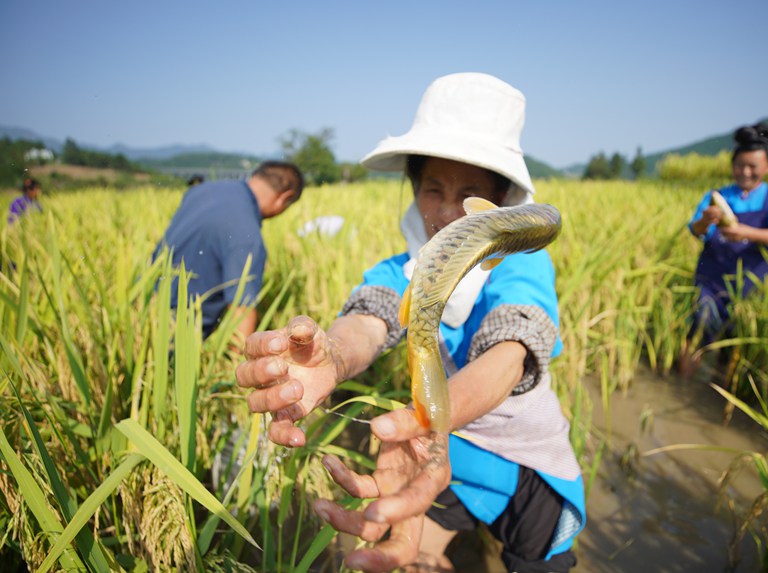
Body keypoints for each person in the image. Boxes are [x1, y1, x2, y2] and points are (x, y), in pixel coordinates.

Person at [236, 73, 586, 573]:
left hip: (527, 465)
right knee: (412, 553)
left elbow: (510, 352)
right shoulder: (402, 273)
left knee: (537, 562)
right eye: (432, 189)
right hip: (440, 454)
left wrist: (431, 417)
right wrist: (331, 355)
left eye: (467, 195)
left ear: (498, 202)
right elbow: (368, 321)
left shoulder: (521, 265)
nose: (445, 212)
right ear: (413, 189)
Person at [679, 122, 768, 377]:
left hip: (752, 287)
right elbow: (696, 230)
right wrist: (706, 220)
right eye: (739, 166)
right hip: (711, 282)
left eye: (752, 167)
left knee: (737, 348)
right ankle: (685, 383)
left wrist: (746, 233)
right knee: (697, 334)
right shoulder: (717, 196)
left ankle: (724, 392)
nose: (745, 172)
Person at [154, 161, 304, 340]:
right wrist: (237, 362)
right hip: (179, 336)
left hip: (148, 306)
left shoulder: (202, 190)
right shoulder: (248, 237)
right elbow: (241, 311)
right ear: (284, 198)